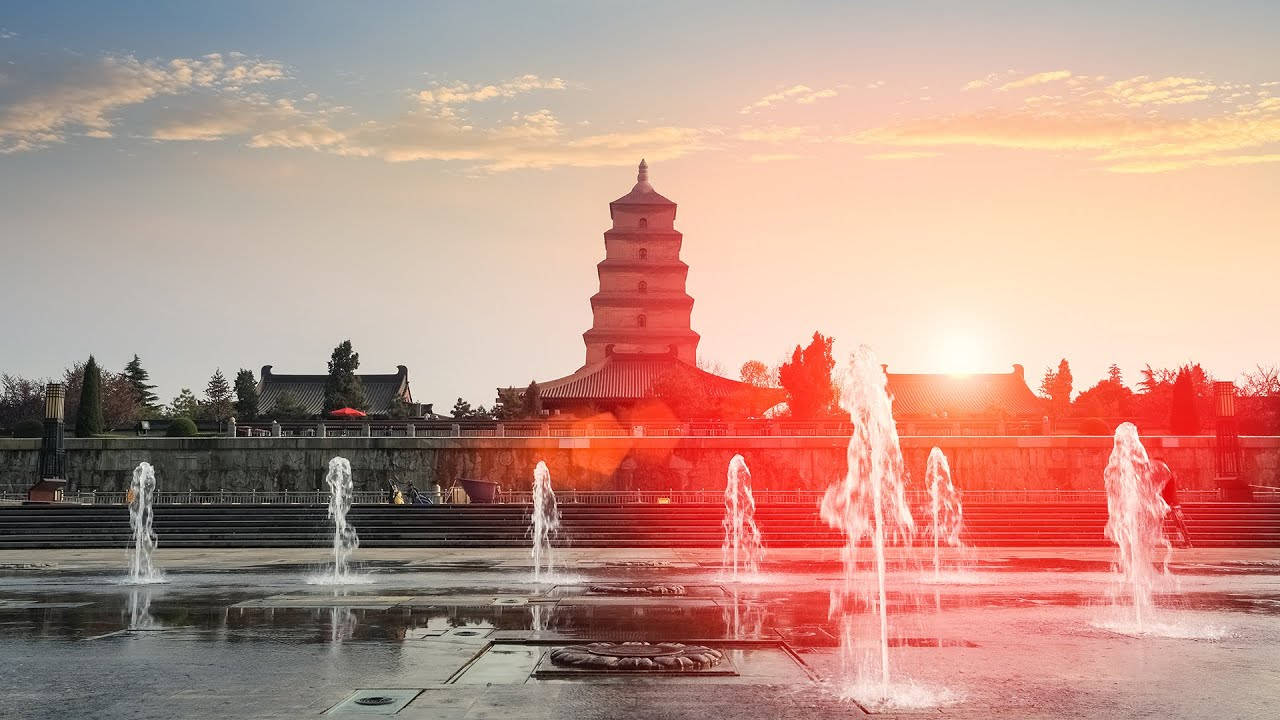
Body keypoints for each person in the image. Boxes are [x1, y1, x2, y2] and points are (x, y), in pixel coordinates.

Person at [1152, 459, 1192, 548]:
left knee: (1179, 523)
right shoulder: (1165, 475)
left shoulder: (1167, 475)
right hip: (1167, 503)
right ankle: (1154, 539)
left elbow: (1163, 489)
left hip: (1172, 503)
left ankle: (1187, 542)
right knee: (1159, 519)